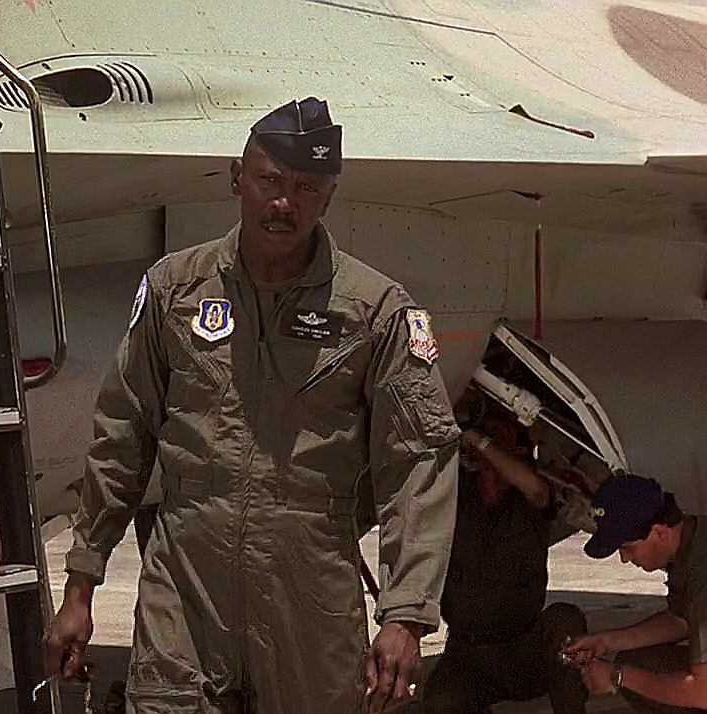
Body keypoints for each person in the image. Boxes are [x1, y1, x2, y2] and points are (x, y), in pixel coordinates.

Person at [42, 96, 462, 714]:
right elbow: (122, 435)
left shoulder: (374, 312)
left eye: (306, 187)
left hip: (309, 599)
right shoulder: (175, 290)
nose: (284, 201)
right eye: (270, 180)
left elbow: (420, 461)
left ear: (329, 196)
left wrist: (405, 614)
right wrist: (81, 583)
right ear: (238, 178)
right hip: (185, 590)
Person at [418, 414, 589, 713]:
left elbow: (536, 490)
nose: (489, 437)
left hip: (522, 651)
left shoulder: (530, 499)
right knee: (438, 704)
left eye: (499, 432)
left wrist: (479, 440)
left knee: (564, 619)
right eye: (487, 430)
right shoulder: (458, 495)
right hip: (468, 654)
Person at [561, 474, 707, 712]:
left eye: (627, 548)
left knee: (634, 676)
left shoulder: (702, 572)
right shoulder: (693, 541)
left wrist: (617, 677)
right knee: (639, 665)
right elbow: (682, 621)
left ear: (660, 533)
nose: (624, 559)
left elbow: (702, 692)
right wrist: (606, 641)